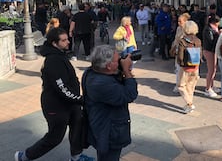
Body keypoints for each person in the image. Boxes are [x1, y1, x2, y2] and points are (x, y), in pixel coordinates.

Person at [15, 28, 94, 161]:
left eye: (67, 39)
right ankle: (25, 156)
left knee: (77, 130)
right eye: (64, 40)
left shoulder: (60, 55)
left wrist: (76, 100)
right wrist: (80, 99)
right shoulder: (53, 60)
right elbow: (61, 87)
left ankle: (76, 157)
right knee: (55, 138)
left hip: (71, 103)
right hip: (56, 107)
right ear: (54, 43)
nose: (68, 42)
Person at [82, 45, 138, 161]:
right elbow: (129, 95)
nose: (121, 61)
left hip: (101, 124)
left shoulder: (92, 71)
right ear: (108, 66)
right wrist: (127, 71)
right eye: (117, 60)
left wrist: (120, 70)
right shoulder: (101, 84)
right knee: (109, 157)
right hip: (109, 131)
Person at [177, 21, 202, 113]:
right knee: (191, 87)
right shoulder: (198, 40)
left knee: (181, 86)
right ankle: (189, 104)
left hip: (185, 67)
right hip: (195, 67)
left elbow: (180, 56)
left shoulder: (182, 41)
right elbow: (200, 54)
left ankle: (189, 103)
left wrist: (180, 64)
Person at [170, 13, 191, 93]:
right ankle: (178, 84)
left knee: (186, 69)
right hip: (178, 50)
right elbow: (176, 39)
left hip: (185, 51)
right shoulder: (178, 28)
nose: (179, 23)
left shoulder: (188, 29)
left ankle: (185, 84)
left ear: (185, 22)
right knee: (178, 68)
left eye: (180, 22)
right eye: (178, 21)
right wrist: (173, 47)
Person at [202, 13, 221, 97]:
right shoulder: (208, 29)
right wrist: (218, 35)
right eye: (218, 22)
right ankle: (208, 88)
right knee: (211, 70)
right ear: (214, 22)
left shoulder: (213, 28)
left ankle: (212, 86)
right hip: (209, 51)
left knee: (214, 69)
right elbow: (211, 41)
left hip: (213, 51)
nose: (219, 24)